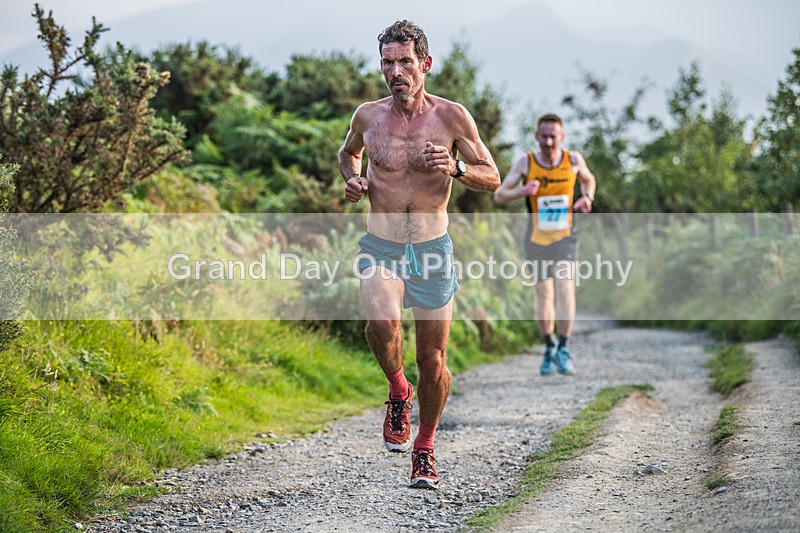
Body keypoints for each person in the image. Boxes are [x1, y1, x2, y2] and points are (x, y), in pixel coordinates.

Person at [338, 20, 500, 489]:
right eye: (388, 62)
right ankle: (397, 390)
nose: (396, 71)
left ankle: (425, 448)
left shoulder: (452, 117)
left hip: (432, 247)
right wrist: (354, 179)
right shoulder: (367, 117)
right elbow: (347, 153)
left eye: (405, 61)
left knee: (433, 359)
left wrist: (456, 167)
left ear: (425, 64)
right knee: (382, 323)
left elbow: (492, 175)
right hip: (382, 243)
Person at [493, 113, 597, 376]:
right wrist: (522, 191)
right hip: (536, 238)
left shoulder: (573, 160)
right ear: (536, 136)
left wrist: (588, 197)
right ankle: (549, 344)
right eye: (544, 136)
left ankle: (564, 347)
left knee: (564, 287)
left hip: (566, 236)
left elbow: (588, 179)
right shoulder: (525, 163)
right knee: (544, 295)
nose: (549, 142)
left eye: (554, 136)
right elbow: (499, 195)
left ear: (561, 137)